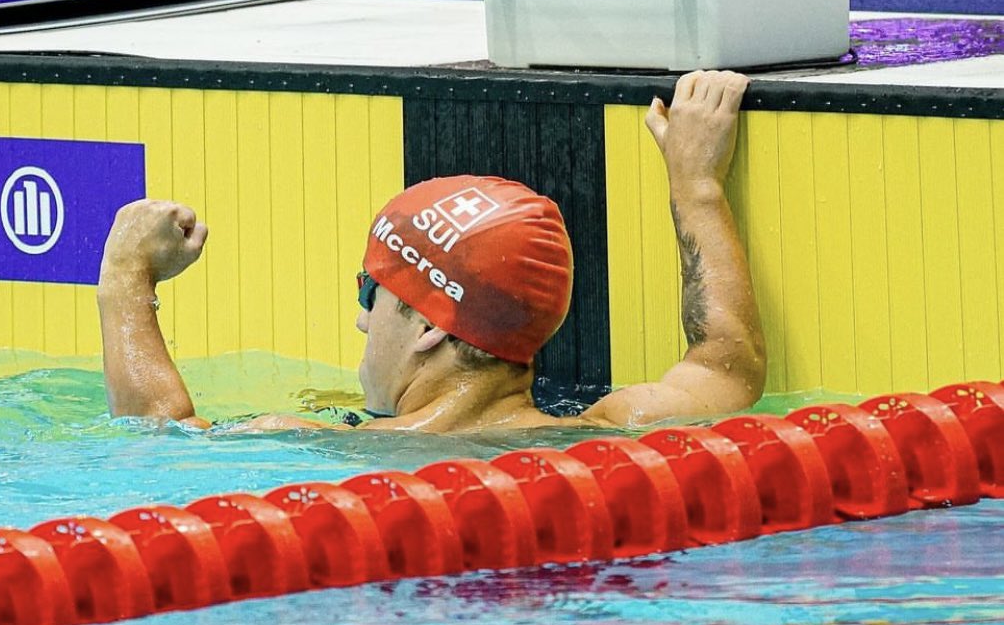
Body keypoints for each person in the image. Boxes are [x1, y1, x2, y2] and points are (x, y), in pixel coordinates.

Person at [97, 70, 765, 432]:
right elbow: (728, 369)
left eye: (371, 293)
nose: (362, 319)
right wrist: (697, 182)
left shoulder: (337, 453)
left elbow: (155, 437)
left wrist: (125, 278)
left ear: (426, 327)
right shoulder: (611, 432)